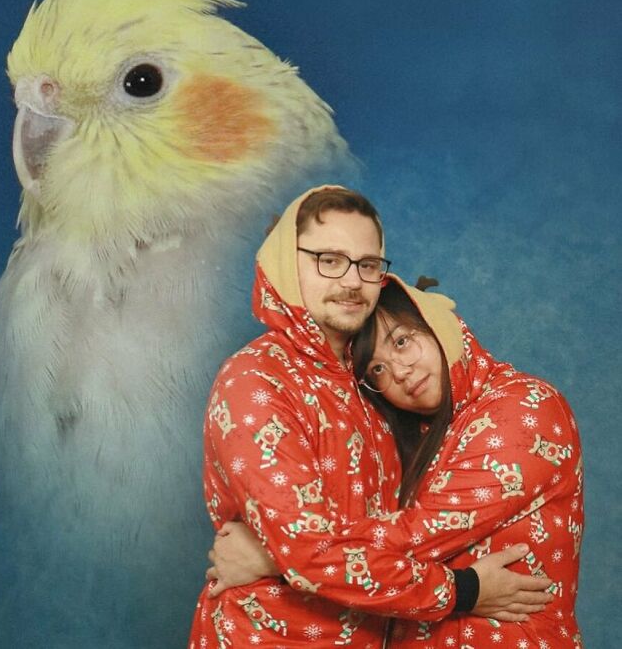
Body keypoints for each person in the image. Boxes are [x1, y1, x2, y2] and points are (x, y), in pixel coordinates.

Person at [190, 185, 554, 648]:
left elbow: (414, 525)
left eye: (367, 265)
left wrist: (269, 556)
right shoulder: (256, 380)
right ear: (286, 262)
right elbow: (307, 549)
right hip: (264, 637)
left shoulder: (375, 389)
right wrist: (462, 591)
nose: (350, 281)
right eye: (328, 259)